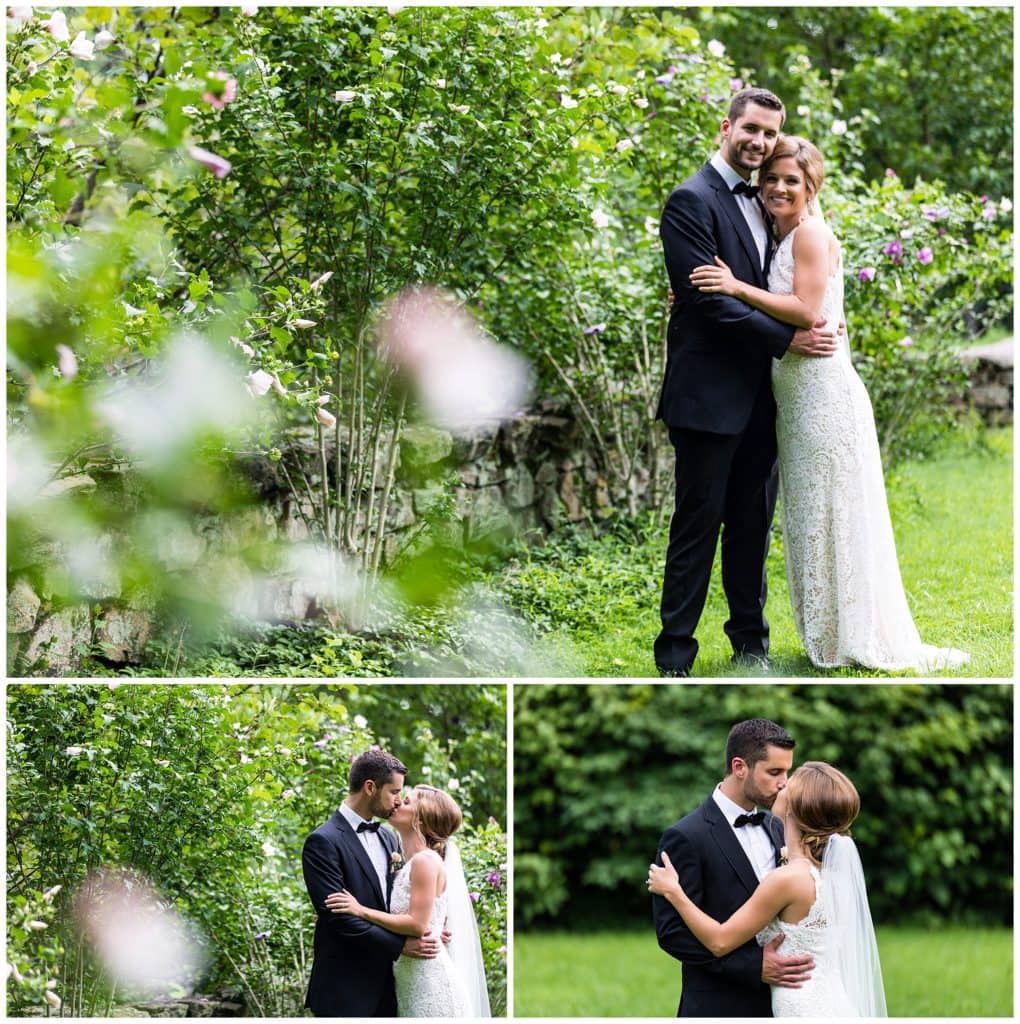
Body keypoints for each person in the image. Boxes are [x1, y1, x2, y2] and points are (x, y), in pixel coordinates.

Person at [688, 135, 968, 672]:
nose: (778, 187)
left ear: (811, 186)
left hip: (822, 398)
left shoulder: (812, 234)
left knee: (838, 513)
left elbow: (806, 310)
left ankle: (853, 634)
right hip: (794, 402)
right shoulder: (780, 233)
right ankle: (830, 631)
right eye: (771, 178)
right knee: (814, 515)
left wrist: (734, 288)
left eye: (791, 180)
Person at [655, 87, 839, 678]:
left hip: (765, 396)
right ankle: (675, 654)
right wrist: (787, 339)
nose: (759, 141)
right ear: (726, 127)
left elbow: (786, 285)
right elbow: (706, 302)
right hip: (707, 397)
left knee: (752, 528)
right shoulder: (690, 200)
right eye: (751, 129)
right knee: (697, 526)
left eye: (769, 132)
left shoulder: (768, 201)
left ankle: (751, 646)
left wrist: (802, 329)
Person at [649, 760, 887, 1017]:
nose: (782, 784)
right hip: (834, 1003)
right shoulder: (835, 876)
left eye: (789, 783)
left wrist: (674, 892)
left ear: (795, 807)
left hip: (801, 1008)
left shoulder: (786, 879)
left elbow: (719, 941)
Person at [652, 719, 814, 1017]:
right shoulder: (686, 836)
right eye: (774, 772)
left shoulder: (778, 827)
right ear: (740, 767)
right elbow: (672, 933)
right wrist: (752, 966)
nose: (784, 783)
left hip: (785, 1002)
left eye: (787, 772)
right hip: (719, 1005)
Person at [326, 784, 490, 1018]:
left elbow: (417, 925)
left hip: (431, 985)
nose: (397, 803)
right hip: (410, 984)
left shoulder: (425, 861)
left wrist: (360, 910)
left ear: (421, 819)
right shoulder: (409, 860)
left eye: (406, 802)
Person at [301, 749, 442, 1017]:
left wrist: (433, 927)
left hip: (389, 988)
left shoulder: (389, 838)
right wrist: (401, 945)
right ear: (370, 787)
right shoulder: (323, 841)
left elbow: (399, 901)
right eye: (394, 792)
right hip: (344, 988)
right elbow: (339, 918)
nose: (398, 801)